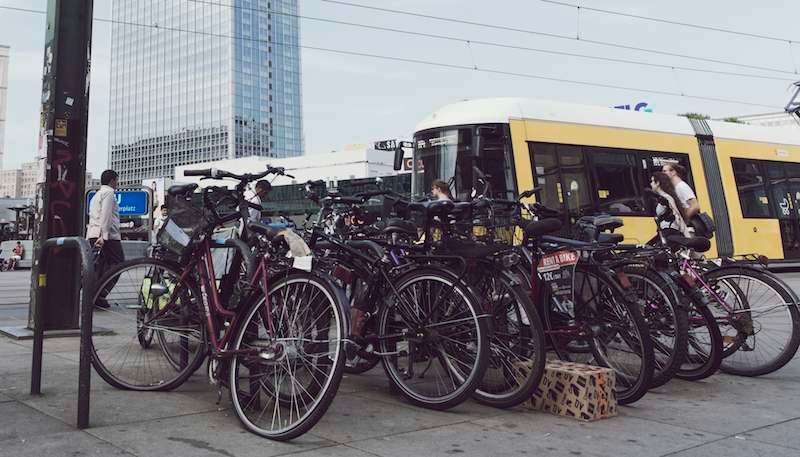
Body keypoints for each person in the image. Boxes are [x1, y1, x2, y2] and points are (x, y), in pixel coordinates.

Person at [87, 169, 123, 308]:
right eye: (117, 180)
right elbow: (106, 215)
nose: (117, 184)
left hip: (94, 234)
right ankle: (100, 294)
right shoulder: (109, 193)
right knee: (119, 264)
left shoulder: (96, 195)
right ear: (112, 180)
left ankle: (95, 296)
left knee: (99, 266)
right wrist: (104, 236)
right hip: (108, 236)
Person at [650, 172, 691, 239]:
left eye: (652, 181)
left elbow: (677, 215)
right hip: (664, 231)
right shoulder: (661, 198)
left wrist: (687, 237)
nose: (650, 184)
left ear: (657, 183)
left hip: (669, 231)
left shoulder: (667, 198)